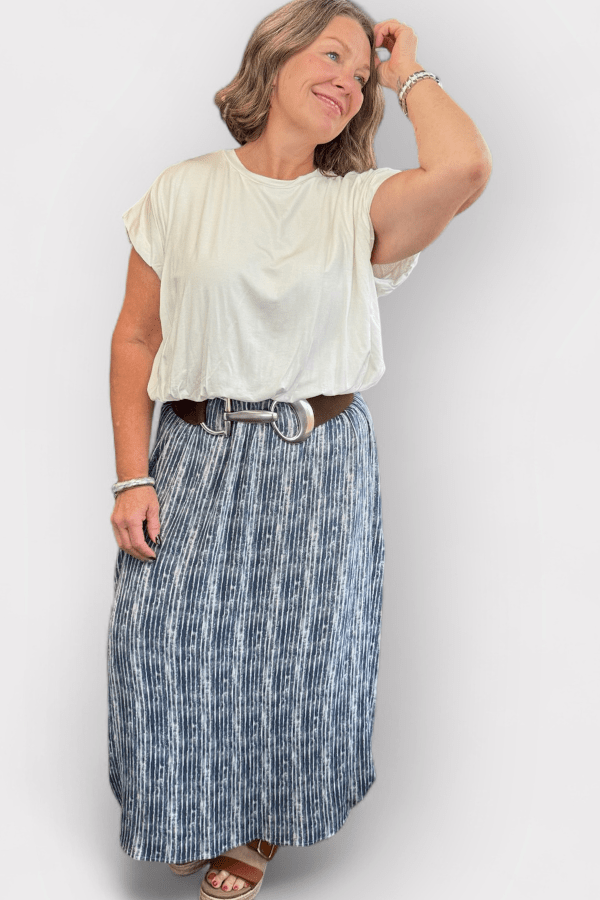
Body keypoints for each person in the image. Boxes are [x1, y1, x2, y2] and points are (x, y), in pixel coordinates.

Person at [108, 1, 491, 897]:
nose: (348, 80)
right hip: (194, 452)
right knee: (166, 643)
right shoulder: (182, 189)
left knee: (300, 654)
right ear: (274, 61)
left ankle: (260, 829)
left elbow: (466, 165)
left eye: (360, 75)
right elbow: (135, 338)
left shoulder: (361, 203)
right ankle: (184, 809)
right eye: (332, 55)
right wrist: (132, 473)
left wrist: (408, 72)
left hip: (319, 458)